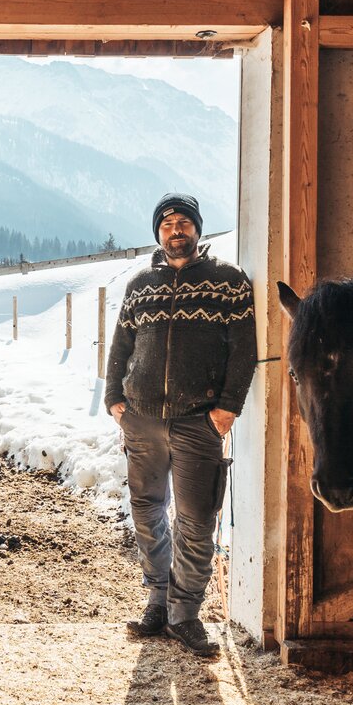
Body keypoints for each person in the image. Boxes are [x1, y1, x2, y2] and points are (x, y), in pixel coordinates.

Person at [105, 193, 256, 656]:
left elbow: (243, 350)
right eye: (167, 223)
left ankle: (184, 614)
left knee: (196, 519)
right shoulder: (140, 285)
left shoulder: (228, 282)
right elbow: (122, 344)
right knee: (148, 512)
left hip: (198, 423)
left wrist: (228, 407)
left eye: (184, 222)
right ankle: (158, 600)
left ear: (197, 230)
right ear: (158, 232)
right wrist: (114, 397)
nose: (176, 230)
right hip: (142, 420)